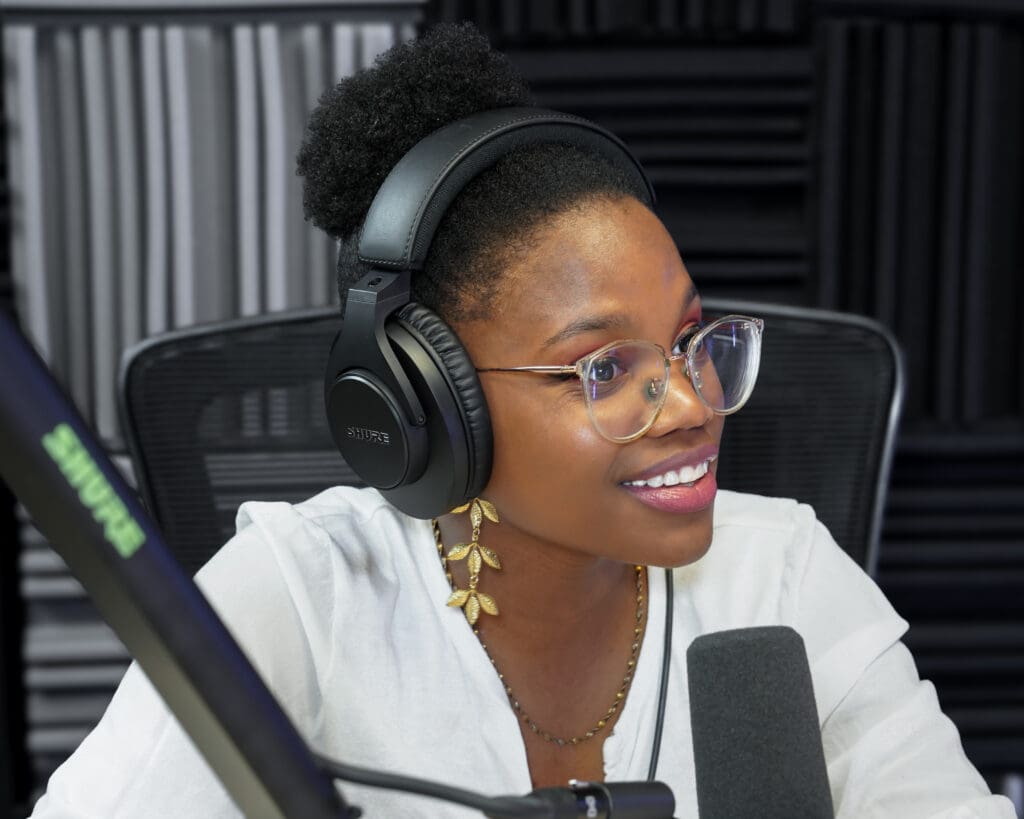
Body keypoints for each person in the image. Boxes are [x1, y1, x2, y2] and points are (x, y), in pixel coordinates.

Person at [29, 22, 1015, 819]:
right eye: (602, 367)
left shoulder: (783, 578)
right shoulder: (297, 595)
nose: (688, 405)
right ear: (425, 402)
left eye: (688, 343)